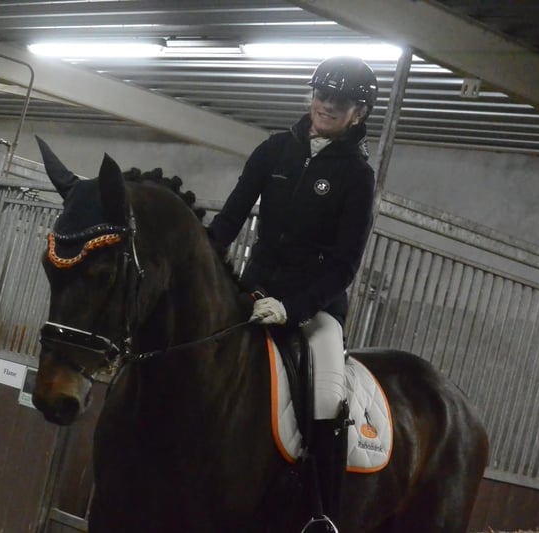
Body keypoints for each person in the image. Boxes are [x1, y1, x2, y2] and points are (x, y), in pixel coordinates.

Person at [207, 56, 378, 531]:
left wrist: (292, 308)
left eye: (339, 100)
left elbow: (344, 265)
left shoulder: (357, 176)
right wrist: (202, 264)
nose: (326, 104)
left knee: (327, 397)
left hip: (313, 311)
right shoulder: (274, 150)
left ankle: (321, 513)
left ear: (358, 112)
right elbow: (229, 220)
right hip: (253, 293)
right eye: (321, 94)